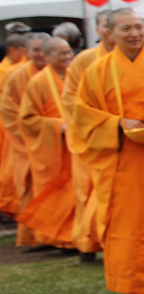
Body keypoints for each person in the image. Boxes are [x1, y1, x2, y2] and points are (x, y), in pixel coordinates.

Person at [71, 10, 144, 294]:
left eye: (138, 28)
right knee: (126, 222)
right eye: (126, 28)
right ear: (109, 33)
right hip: (123, 158)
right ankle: (132, 283)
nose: (134, 34)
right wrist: (116, 122)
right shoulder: (97, 71)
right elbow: (82, 115)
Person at [17, 35, 76, 249]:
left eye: (69, 52)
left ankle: (77, 237)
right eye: (61, 53)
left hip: (76, 145)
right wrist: (57, 125)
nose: (67, 56)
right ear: (47, 56)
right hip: (53, 148)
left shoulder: (76, 76)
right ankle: (55, 239)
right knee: (55, 192)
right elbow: (27, 119)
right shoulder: (38, 83)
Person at [1, 34, 50, 246]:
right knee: (31, 187)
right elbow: (9, 111)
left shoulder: (60, 72)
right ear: (26, 52)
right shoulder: (16, 76)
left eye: (43, 50)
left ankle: (63, 238)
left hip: (59, 140)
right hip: (29, 141)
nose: (40, 54)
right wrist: (33, 132)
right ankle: (35, 237)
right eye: (35, 50)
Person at [62, 31, 105, 261]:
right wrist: (107, 123)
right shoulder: (85, 61)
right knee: (87, 190)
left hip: (139, 138)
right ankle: (88, 241)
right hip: (92, 135)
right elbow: (71, 100)